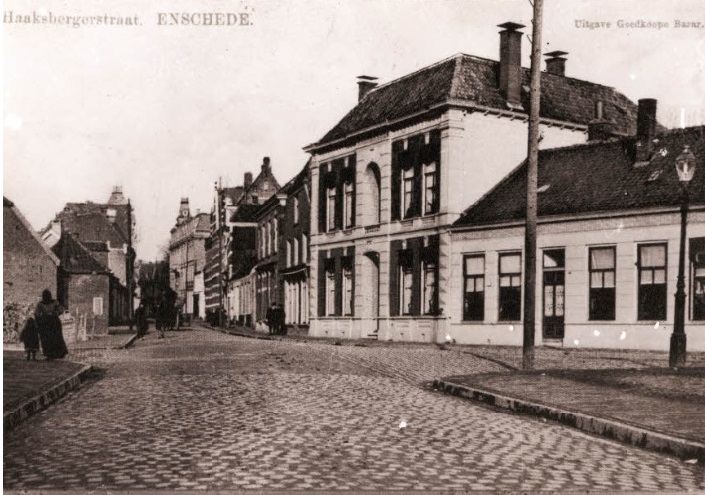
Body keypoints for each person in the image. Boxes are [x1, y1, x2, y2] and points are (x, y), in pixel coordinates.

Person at [34, 289, 68, 360]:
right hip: (48, 322)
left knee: (54, 338)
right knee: (49, 338)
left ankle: (55, 354)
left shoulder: (52, 302)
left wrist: (55, 313)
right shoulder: (41, 304)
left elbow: (61, 309)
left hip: (52, 322)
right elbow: (36, 313)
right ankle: (52, 354)